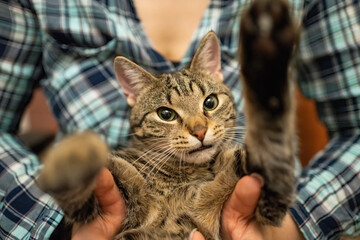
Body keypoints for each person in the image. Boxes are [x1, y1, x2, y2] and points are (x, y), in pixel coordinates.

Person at [0, 0, 359, 239]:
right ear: (133, 97)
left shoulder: (228, 158)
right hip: (130, 215)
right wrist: (57, 230)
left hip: (234, 218)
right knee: (111, 175)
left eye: (209, 104)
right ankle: (74, 186)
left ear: (217, 72)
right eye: (168, 113)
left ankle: (268, 104)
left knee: (254, 169)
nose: (198, 128)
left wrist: (291, 229)